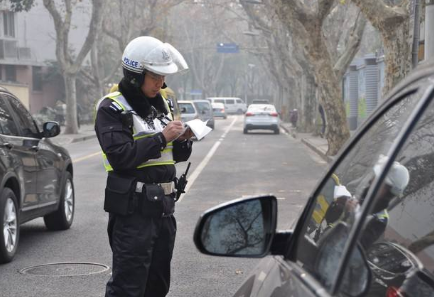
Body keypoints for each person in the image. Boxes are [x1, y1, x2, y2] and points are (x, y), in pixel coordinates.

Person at [94, 36, 194, 297]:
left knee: (157, 285)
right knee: (128, 287)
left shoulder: (163, 105)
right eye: (155, 77)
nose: (161, 83)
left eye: (163, 77)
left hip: (163, 209)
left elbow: (171, 157)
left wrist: (183, 141)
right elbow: (121, 156)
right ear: (135, 75)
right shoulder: (112, 108)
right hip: (133, 213)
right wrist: (162, 138)